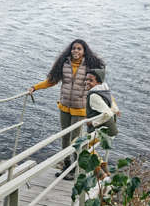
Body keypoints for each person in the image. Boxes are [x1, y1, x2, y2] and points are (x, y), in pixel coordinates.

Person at [29, 39, 104, 180]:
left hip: (80, 109)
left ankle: (75, 169)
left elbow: (99, 85)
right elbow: (52, 81)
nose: (75, 51)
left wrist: (105, 104)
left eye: (79, 49)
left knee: (75, 140)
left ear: (84, 52)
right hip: (64, 107)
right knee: (64, 138)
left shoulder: (90, 67)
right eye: (74, 48)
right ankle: (66, 164)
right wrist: (35, 87)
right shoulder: (64, 64)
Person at [85, 68, 120, 181]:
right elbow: (114, 109)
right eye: (86, 80)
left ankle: (101, 175)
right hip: (111, 131)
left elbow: (108, 113)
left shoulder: (94, 95)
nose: (87, 82)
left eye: (91, 80)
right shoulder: (105, 90)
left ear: (98, 82)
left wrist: (92, 122)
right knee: (87, 146)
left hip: (104, 132)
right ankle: (104, 167)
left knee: (78, 145)